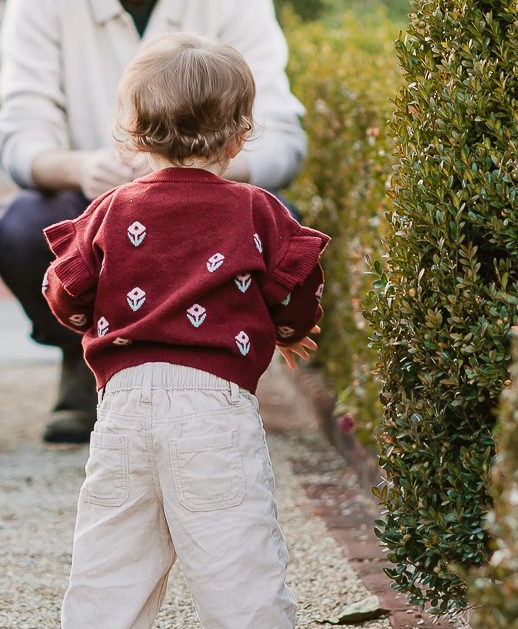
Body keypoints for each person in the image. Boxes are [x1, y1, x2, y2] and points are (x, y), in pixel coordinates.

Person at [0, 0, 308, 444]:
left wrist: (198, 168)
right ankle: (83, 363)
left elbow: (283, 138)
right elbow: (20, 132)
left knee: (278, 223)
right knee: (23, 228)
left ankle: (220, 375)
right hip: (93, 198)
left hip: (208, 198)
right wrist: (81, 167)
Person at [43, 33, 327, 629]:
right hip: (214, 407)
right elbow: (296, 288)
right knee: (238, 568)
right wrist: (287, 328)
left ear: (133, 132)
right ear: (241, 135)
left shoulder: (112, 209)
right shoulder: (256, 209)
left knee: (111, 570)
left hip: (123, 406)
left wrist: (86, 319)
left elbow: (66, 291)